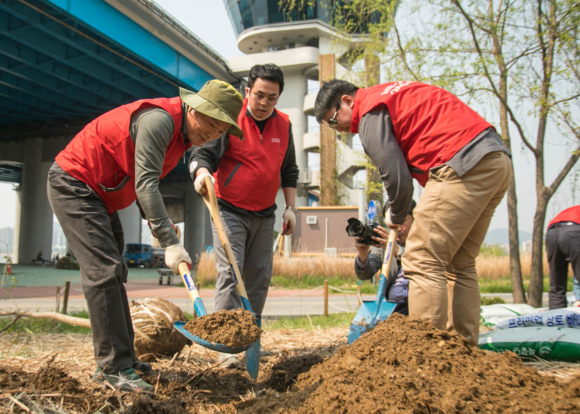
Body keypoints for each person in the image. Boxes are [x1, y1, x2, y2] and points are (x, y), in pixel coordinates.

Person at [47, 80, 243, 391]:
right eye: (211, 122)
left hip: (101, 195)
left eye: (221, 130)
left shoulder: (182, 137)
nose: (213, 133)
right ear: (193, 107)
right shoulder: (160, 121)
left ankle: (125, 360)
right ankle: (114, 370)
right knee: (104, 272)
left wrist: (157, 223)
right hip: (75, 183)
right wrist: (169, 240)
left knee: (115, 273)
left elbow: (140, 178)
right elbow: (147, 184)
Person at [315, 79, 512, 346]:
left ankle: (423, 357)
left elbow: (396, 179)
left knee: (420, 257)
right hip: (494, 159)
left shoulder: (369, 112)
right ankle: (462, 352)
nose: (336, 128)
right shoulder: (390, 95)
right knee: (460, 262)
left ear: (347, 101)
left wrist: (394, 216)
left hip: (461, 162)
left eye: (333, 119)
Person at [189, 64, 299, 366]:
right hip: (228, 209)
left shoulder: (285, 125)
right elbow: (204, 153)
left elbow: (289, 170)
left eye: (272, 98)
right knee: (230, 273)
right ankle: (225, 350)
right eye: (259, 95)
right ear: (248, 91)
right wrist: (201, 173)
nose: (264, 103)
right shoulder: (231, 118)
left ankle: (248, 341)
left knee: (258, 280)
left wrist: (290, 208)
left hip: (265, 215)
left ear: (278, 98)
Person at [354, 200, 416, 315]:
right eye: (393, 223)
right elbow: (365, 274)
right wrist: (363, 255)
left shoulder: (425, 243)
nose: (398, 228)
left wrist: (397, 251)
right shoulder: (383, 245)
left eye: (402, 222)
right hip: (392, 311)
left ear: (414, 219)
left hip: (418, 307)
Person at [546, 205, 580, 309]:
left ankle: (556, 319)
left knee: (557, 285)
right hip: (574, 231)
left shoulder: (575, 209)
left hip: (552, 233)